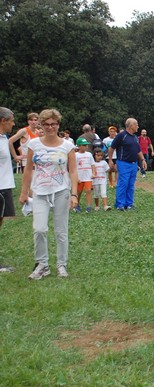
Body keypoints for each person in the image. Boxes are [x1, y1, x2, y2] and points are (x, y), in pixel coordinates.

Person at [20, 109, 78, 279]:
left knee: (61, 231)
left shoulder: (67, 146)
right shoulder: (34, 144)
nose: (50, 127)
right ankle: (42, 264)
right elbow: (28, 170)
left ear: (58, 125)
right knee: (39, 229)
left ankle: (61, 265)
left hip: (61, 191)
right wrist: (24, 192)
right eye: (46, 124)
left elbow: (73, 171)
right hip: (40, 191)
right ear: (41, 125)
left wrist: (74, 194)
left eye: (53, 124)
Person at [108, 118, 146, 211]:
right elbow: (112, 148)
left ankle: (129, 204)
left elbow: (138, 150)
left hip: (133, 164)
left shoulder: (135, 137)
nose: (138, 126)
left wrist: (143, 160)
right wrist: (110, 160)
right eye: (136, 124)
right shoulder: (121, 136)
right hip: (123, 163)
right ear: (131, 125)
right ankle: (119, 204)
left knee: (131, 185)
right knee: (123, 183)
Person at [0, 107, 16, 273]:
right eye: (11, 120)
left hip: (5, 186)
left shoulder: (4, 137)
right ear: (3, 121)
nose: (13, 123)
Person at [75, 137, 96, 213]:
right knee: (78, 192)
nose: (86, 146)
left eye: (86, 145)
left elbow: (92, 164)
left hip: (88, 177)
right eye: (84, 145)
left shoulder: (89, 154)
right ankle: (76, 205)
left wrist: (93, 173)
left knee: (88, 191)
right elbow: (73, 167)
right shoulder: (75, 155)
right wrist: (76, 177)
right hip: (79, 177)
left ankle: (88, 207)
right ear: (79, 146)